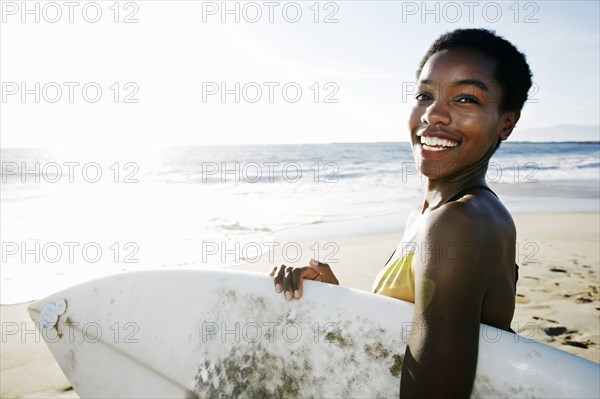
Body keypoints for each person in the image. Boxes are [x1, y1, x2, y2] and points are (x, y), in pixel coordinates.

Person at [270, 28, 533, 398]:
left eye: (466, 99)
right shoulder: (433, 215)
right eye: (425, 94)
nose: (434, 114)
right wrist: (339, 300)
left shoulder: (456, 224)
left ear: (506, 122)